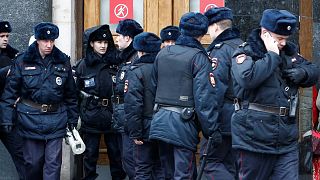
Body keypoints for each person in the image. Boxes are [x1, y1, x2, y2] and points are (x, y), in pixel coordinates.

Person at [231, 9, 319, 179]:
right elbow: (247, 79)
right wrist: (272, 54)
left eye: (285, 38)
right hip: (253, 140)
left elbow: (313, 70)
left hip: (285, 140)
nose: (283, 43)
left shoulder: (288, 53)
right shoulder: (246, 52)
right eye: (279, 38)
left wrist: (302, 73)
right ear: (265, 33)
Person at [0, 22, 79, 180]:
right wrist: (6, 118)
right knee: (32, 163)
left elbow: (71, 94)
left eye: (52, 41)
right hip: (30, 119)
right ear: (37, 40)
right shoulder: (22, 61)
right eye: (45, 41)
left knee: (53, 165)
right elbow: (9, 94)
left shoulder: (62, 61)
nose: (49, 45)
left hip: (56, 119)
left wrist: (72, 118)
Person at [149, 12, 222, 179]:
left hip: (160, 120)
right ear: (202, 34)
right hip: (183, 125)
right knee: (183, 174)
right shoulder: (199, 58)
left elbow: (153, 87)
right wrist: (212, 130)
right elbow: (205, 99)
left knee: (167, 173)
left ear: (181, 30)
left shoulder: (162, 54)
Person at [74, 24, 126, 180]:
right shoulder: (82, 66)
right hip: (91, 116)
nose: (103, 46)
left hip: (112, 115)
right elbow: (75, 93)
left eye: (105, 43)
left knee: (117, 155)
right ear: (91, 44)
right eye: (99, 42)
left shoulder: (116, 63)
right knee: (89, 156)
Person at [199, 7, 243, 180]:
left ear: (215, 27)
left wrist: (210, 123)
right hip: (242, 117)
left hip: (224, 117)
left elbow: (214, 89)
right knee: (232, 164)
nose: (208, 33)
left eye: (209, 28)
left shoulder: (219, 50)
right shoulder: (242, 45)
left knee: (210, 162)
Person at [124, 32, 164, 179]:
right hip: (164, 126)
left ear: (139, 51)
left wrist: (135, 132)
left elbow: (133, 105)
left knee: (142, 168)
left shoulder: (136, 71)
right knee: (161, 168)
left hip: (145, 128)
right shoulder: (165, 68)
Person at [113, 19, 143, 180]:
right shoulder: (124, 57)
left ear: (128, 38)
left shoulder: (135, 59)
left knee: (133, 162)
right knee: (127, 160)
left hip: (131, 118)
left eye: (119, 35)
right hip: (123, 118)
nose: (116, 39)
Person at [0, 20, 25, 180]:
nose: (5, 39)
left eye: (7, 36)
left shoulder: (14, 57)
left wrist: (19, 97)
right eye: (1, 36)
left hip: (8, 116)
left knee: (21, 155)